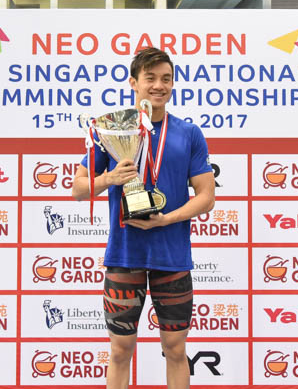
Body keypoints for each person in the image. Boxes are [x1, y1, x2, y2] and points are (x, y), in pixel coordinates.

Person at [72, 47, 215, 389]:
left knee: (176, 349)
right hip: (125, 254)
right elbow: (78, 189)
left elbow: (207, 198)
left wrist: (166, 220)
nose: (158, 86)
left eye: (166, 79)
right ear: (134, 83)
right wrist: (109, 178)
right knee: (120, 351)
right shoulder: (111, 130)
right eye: (150, 78)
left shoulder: (188, 133)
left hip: (171, 254)